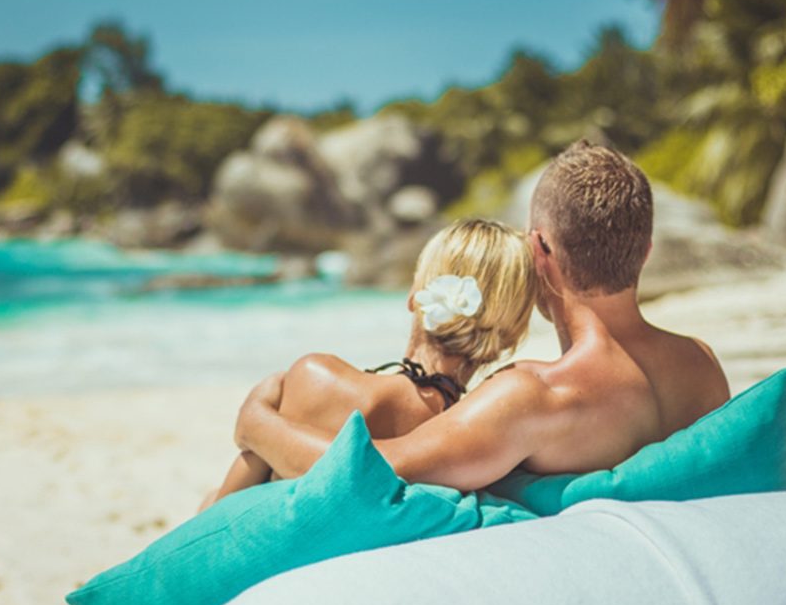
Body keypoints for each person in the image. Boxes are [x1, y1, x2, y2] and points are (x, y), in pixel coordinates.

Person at [233, 139, 730, 492]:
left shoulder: (535, 397)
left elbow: (369, 471)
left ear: (539, 251)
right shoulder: (701, 367)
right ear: (645, 252)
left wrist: (258, 423)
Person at [207, 217, 538, 504]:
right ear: (510, 336)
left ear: (415, 296)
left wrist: (255, 423)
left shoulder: (317, 376)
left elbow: (222, 513)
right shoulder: (474, 436)